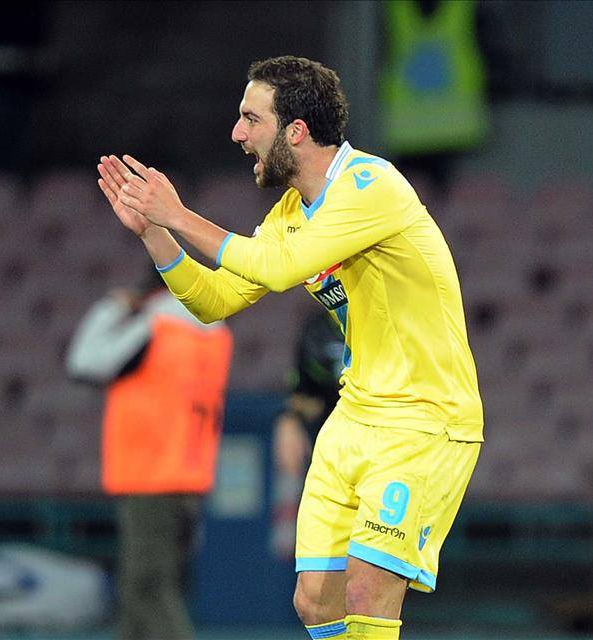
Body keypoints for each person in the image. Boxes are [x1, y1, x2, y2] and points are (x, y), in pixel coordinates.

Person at [96, 55, 484, 640]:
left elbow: (278, 269)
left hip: (423, 420)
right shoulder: (290, 214)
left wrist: (179, 213)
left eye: (251, 119)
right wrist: (156, 232)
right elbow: (215, 300)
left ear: (296, 131)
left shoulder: (370, 185)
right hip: (354, 417)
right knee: (315, 601)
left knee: (367, 591)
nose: (238, 134)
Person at [65, 266, 233, 640]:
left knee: (147, 588)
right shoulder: (216, 333)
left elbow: (83, 362)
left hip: (150, 478)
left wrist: (112, 308)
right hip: (189, 476)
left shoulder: (157, 325)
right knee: (140, 591)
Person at [272, 309, 346, 559]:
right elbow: (303, 394)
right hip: (331, 449)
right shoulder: (318, 332)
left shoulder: (387, 320)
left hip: (380, 443)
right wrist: (289, 419)